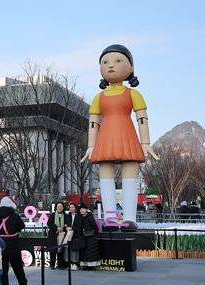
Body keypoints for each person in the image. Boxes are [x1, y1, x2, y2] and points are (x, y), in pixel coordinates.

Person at [81, 44, 159, 231]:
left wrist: (145, 142)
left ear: (131, 67)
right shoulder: (98, 98)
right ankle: (110, 219)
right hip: (105, 138)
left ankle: (130, 219)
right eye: (105, 62)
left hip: (127, 134)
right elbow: (93, 123)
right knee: (105, 177)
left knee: (129, 175)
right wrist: (91, 145)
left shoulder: (133, 94)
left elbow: (142, 118)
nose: (110, 65)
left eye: (118, 61)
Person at [0, 196, 29, 285]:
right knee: (18, 267)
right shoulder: (15, 215)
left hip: (0, 245)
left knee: (3, 269)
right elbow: (22, 226)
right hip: (13, 244)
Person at [79, 204, 100, 270]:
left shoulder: (90, 217)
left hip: (91, 237)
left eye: (83, 209)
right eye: (81, 209)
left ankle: (91, 265)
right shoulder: (80, 217)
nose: (82, 210)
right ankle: (85, 265)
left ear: (86, 209)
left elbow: (95, 227)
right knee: (84, 252)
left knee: (91, 252)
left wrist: (94, 235)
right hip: (83, 237)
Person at [47, 201, 66, 270]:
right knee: (53, 250)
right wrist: (56, 228)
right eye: (58, 206)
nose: (59, 208)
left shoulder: (65, 215)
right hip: (53, 234)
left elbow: (67, 224)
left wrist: (63, 228)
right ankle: (52, 265)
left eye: (61, 206)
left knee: (60, 249)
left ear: (63, 207)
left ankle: (60, 265)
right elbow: (49, 224)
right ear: (56, 207)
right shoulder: (53, 215)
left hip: (62, 234)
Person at [64, 203, 83, 270]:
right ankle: (69, 263)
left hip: (76, 235)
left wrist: (72, 228)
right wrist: (66, 227)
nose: (71, 208)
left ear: (75, 208)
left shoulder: (79, 216)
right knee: (68, 249)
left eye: (73, 207)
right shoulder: (67, 215)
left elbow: (79, 226)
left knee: (75, 250)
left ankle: (75, 264)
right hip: (68, 235)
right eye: (70, 207)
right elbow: (65, 223)